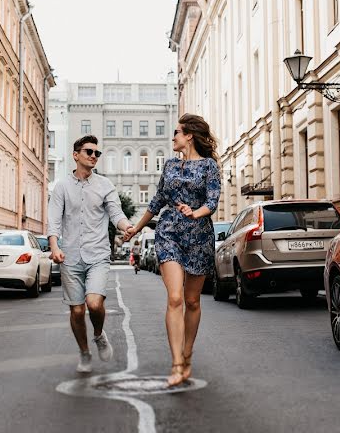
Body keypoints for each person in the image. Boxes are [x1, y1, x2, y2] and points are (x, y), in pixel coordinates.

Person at [126, 114, 220, 387]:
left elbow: (212, 202)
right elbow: (156, 202)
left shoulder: (209, 166)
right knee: (175, 298)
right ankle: (176, 363)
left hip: (199, 235)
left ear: (189, 135)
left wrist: (196, 213)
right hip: (169, 233)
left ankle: (187, 354)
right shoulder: (168, 166)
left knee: (192, 301)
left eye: (177, 132)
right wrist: (136, 227)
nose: (173, 136)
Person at [48, 134, 132, 373]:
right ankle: (84, 352)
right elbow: (54, 221)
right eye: (89, 152)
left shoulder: (105, 185)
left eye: (97, 153)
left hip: (97, 255)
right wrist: (55, 247)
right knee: (76, 309)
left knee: (94, 304)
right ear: (76, 155)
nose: (94, 156)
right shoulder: (61, 186)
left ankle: (98, 334)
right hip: (70, 256)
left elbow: (116, 214)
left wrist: (126, 227)